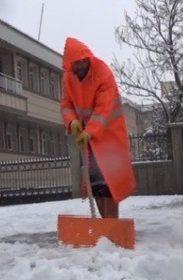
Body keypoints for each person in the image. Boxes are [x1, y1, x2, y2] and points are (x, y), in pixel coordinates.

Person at [60, 37, 136, 218]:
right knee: (97, 184)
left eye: (79, 64)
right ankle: (105, 224)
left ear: (86, 60)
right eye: (73, 65)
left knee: (109, 182)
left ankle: (112, 224)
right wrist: (72, 122)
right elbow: (66, 104)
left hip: (109, 135)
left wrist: (89, 131)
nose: (76, 69)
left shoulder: (103, 74)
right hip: (89, 138)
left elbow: (103, 110)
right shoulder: (69, 77)